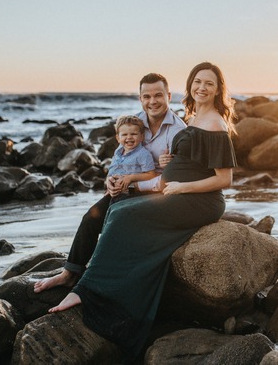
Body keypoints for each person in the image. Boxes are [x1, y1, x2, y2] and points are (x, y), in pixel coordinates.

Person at [48, 62, 237, 363]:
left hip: (199, 200)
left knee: (124, 216)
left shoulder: (215, 123)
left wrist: (181, 188)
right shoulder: (194, 116)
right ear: (189, 86)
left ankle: (88, 289)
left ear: (218, 90)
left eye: (209, 84)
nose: (202, 87)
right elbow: (191, 157)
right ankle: (86, 277)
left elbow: (224, 179)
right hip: (173, 190)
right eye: (197, 81)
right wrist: (171, 159)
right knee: (119, 207)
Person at [34, 73, 186, 293]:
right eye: (147, 96)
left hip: (157, 194)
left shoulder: (178, 131)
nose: (152, 101)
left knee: (115, 224)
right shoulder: (133, 123)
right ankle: (69, 273)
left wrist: (170, 162)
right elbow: (119, 158)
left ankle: (100, 279)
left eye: (158, 95)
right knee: (91, 217)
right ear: (140, 98)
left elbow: (179, 173)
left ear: (169, 96)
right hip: (125, 189)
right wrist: (109, 181)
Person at [106, 115, 156, 205]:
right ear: (118, 138)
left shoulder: (143, 154)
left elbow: (151, 174)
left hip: (132, 195)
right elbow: (112, 170)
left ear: (141, 137)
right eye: (124, 135)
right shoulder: (118, 153)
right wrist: (109, 181)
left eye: (133, 134)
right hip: (115, 193)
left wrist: (131, 177)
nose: (129, 137)